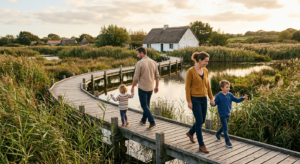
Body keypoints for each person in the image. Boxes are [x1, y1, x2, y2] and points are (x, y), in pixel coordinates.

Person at [185, 51, 214, 153]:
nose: (206, 63)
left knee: (201, 121)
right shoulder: (190, 71)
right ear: (200, 60)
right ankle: (201, 145)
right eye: (205, 61)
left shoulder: (205, 71)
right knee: (199, 121)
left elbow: (208, 85)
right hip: (195, 99)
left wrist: (211, 98)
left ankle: (190, 133)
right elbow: (187, 87)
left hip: (204, 99)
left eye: (207, 61)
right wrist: (189, 101)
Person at [212, 80, 248, 148]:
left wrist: (242, 98)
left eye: (229, 87)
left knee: (223, 126)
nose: (228, 88)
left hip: (228, 113)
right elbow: (214, 103)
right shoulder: (218, 96)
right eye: (226, 87)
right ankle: (227, 142)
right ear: (222, 88)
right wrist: (212, 103)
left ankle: (217, 134)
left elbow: (236, 100)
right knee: (226, 128)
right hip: (222, 114)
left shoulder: (230, 95)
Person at [131, 47, 159, 130]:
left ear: (142, 53)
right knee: (147, 105)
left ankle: (152, 122)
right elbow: (157, 76)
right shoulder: (154, 62)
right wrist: (156, 86)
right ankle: (143, 120)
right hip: (150, 87)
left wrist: (132, 87)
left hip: (142, 88)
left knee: (144, 105)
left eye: (138, 54)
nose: (137, 56)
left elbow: (136, 78)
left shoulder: (140, 63)